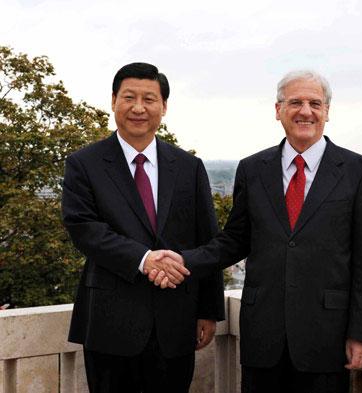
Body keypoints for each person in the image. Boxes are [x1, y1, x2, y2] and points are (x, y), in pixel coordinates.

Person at [151, 70, 362, 393]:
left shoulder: (359, 171)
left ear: (327, 111)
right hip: (263, 334)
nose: (305, 111)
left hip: (326, 335)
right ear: (278, 110)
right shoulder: (252, 169)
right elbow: (234, 241)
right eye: (295, 102)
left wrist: (360, 332)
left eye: (315, 103)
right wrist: (182, 261)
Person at [62, 62, 224, 393]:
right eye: (129, 97)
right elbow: (83, 228)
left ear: (163, 106)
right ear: (113, 101)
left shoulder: (189, 167)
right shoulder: (84, 163)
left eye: (149, 99)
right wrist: (144, 259)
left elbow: (207, 239)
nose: (139, 108)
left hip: (176, 324)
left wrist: (209, 311)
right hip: (110, 324)